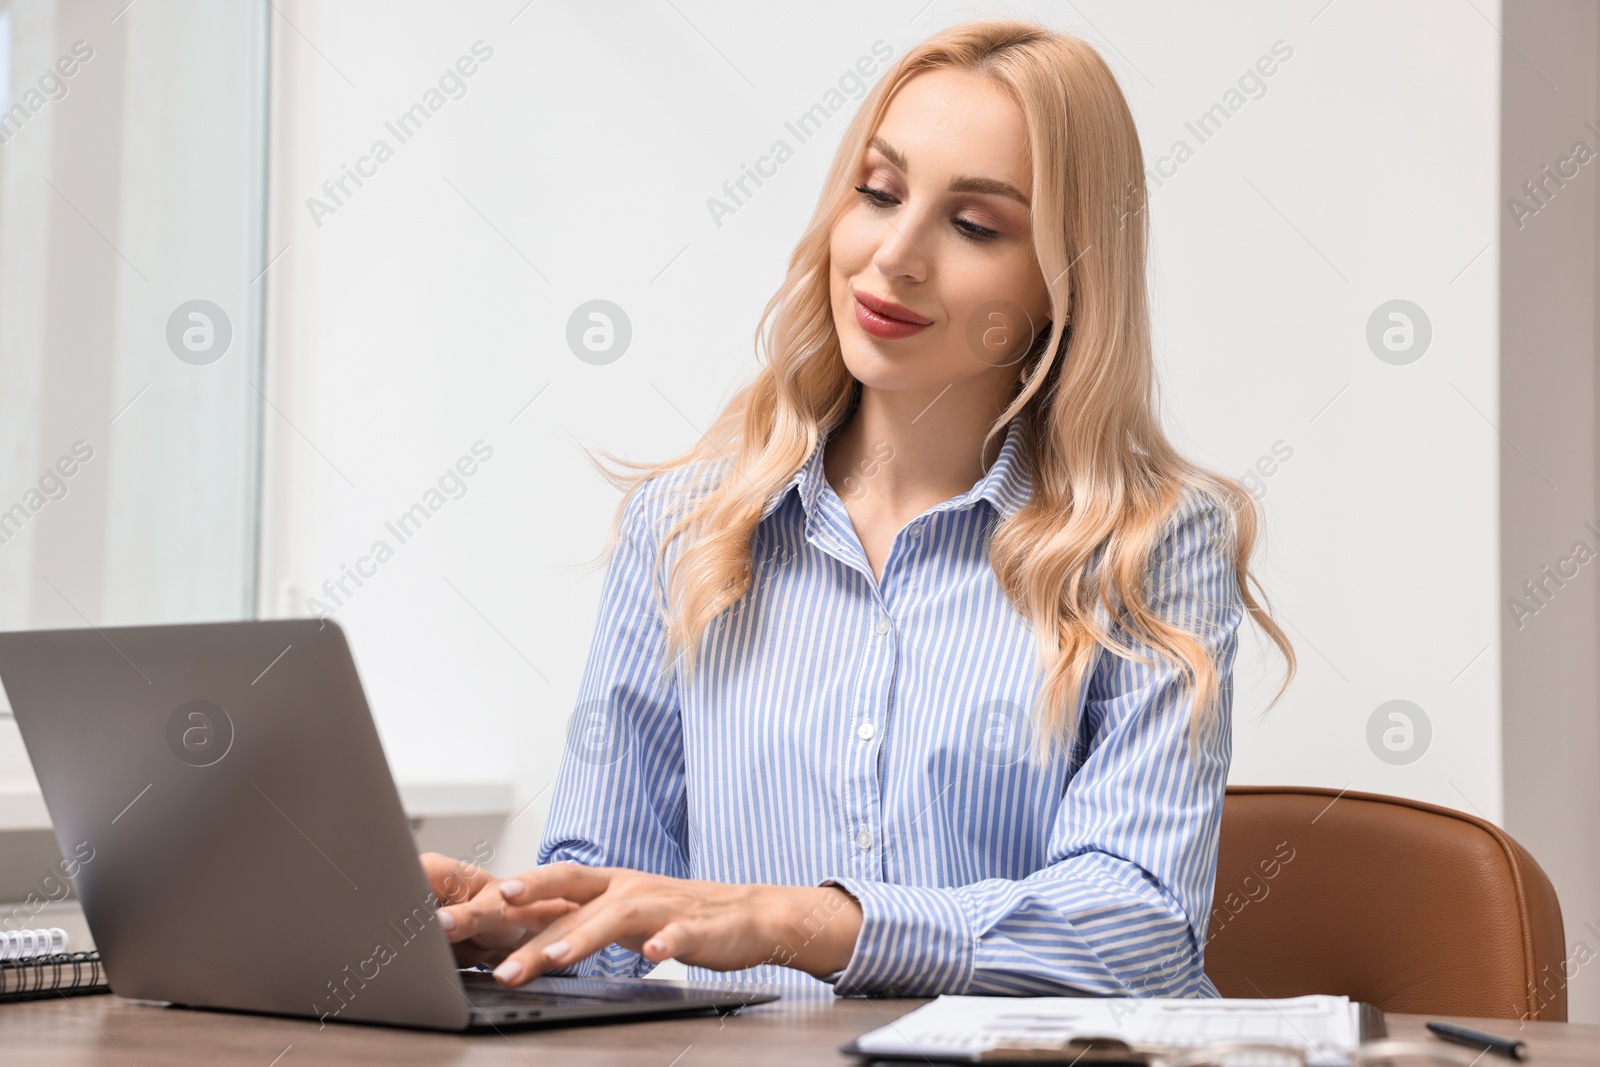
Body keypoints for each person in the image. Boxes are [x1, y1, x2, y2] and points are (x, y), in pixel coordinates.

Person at [421, 18, 1294, 998]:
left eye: (974, 225)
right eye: (877, 193)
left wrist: (810, 919)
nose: (895, 255)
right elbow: (623, 908)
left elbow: (1135, 927)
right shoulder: (683, 528)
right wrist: (514, 927)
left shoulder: (1152, 544)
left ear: (1062, 282)